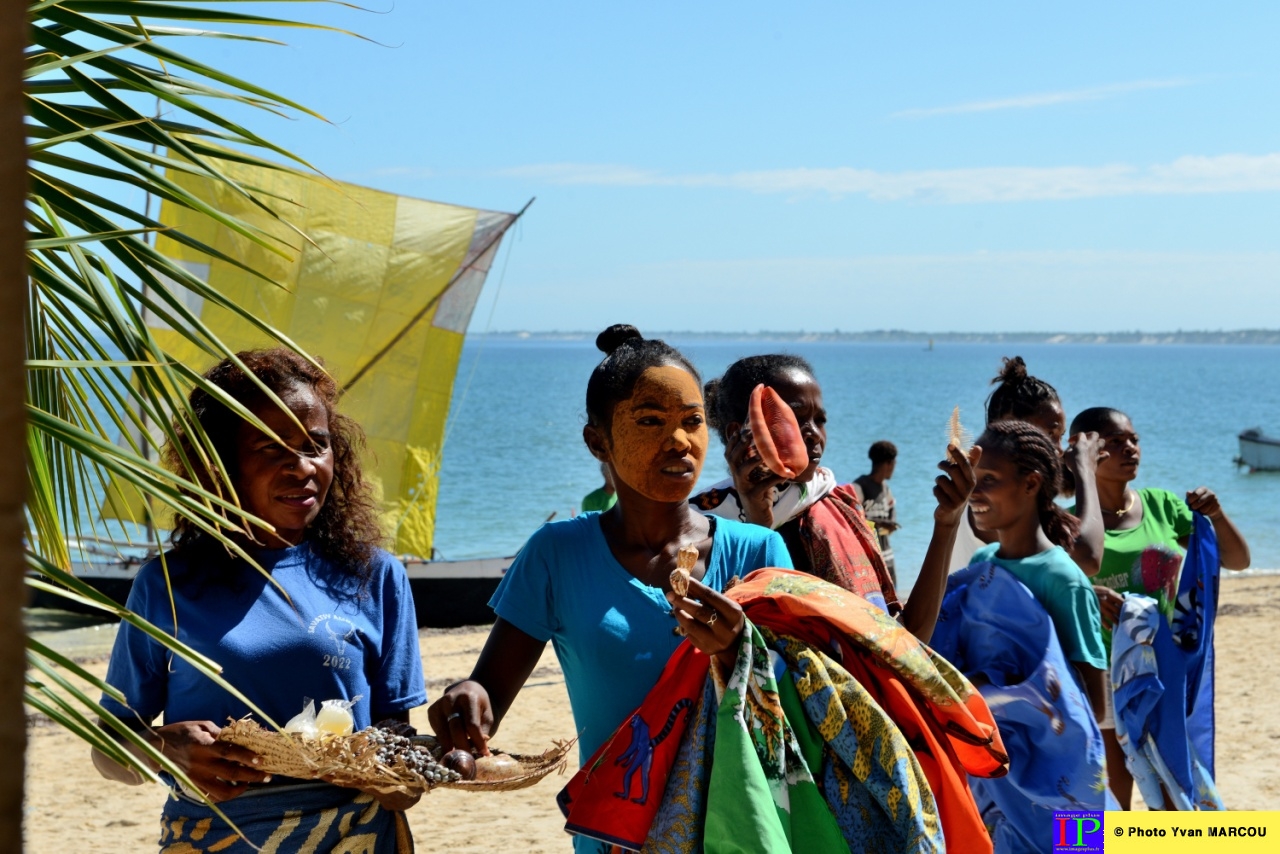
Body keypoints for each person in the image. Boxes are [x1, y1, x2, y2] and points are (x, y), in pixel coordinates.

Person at [427, 325, 791, 852]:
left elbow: (796, 709)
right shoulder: (558, 555)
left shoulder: (758, 554)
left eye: (692, 422)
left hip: (739, 833)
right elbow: (489, 697)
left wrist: (739, 651)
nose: (680, 442)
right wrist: (466, 701)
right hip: (617, 840)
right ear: (599, 441)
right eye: (650, 421)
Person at [92, 349, 427, 852]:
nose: (302, 468)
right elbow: (108, 750)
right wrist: (162, 747)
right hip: (214, 839)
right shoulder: (168, 584)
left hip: (356, 839)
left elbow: (395, 746)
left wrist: (409, 774)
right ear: (218, 464)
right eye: (272, 448)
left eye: (316, 445)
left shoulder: (375, 576)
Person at [693, 353, 976, 643]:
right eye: (794, 418)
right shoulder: (704, 532)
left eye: (820, 420)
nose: (814, 434)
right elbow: (752, 653)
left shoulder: (839, 505)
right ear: (739, 434)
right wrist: (758, 525)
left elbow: (908, 640)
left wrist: (947, 522)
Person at [1069, 405, 1251, 809]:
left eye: (1133, 439)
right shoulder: (1069, 525)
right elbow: (1047, 591)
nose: (1130, 448)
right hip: (1100, 678)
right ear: (1085, 452)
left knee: (1172, 801)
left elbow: (1237, 561)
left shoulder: (1163, 506)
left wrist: (1216, 515)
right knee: (1108, 804)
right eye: (1114, 443)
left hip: (1163, 673)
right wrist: (1087, 597)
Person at [966, 420, 1109, 722]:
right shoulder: (982, 562)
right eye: (973, 478)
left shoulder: (1063, 579)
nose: (973, 492)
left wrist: (1007, 698)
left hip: (1041, 758)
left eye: (989, 479)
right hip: (988, 754)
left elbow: (1093, 707)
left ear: (1031, 484)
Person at [949, 355, 1107, 575]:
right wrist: (1085, 471)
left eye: (1060, 436)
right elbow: (1087, 556)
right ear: (1011, 427)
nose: (1059, 449)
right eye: (1050, 434)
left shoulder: (1008, 490)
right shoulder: (1002, 497)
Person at [853, 440, 900, 585]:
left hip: (887, 556)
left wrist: (891, 524)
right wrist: (879, 523)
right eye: (894, 464)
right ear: (888, 464)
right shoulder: (860, 487)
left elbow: (892, 514)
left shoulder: (886, 489)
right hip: (869, 558)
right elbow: (853, 517)